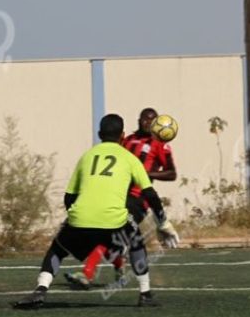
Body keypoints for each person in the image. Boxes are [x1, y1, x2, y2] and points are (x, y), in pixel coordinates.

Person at [13, 114, 180, 310]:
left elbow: (69, 197)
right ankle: (145, 294)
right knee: (136, 242)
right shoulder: (130, 158)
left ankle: (40, 290)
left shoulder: (86, 156)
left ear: (99, 134)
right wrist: (164, 225)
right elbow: (150, 195)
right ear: (122, 135)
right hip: (115, 220)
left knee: (57, 247)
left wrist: (77, 220)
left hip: (80, 217)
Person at [65, 107, 178, 290]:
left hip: (138, 198)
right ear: (138, 120)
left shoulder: (160, 145)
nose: (147, 123)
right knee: (108, 234)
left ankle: (87, 274)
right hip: (117, 194)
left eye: (151, 120)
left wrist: (144, 173)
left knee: (107, 234)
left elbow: (172, 173)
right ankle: (118, 264)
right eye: (144, 119)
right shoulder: (127, 140)